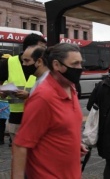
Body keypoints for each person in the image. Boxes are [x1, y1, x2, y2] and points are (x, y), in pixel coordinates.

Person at [12, 43, 88, 179]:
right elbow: (21, 145)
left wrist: (75, 143)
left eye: (80, 63)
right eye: (75, 64)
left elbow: (62, 127)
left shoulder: (71, 89)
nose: (79, 68)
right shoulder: (43, 97)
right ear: (56, 65)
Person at [0, 33, 46, 145]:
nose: (44, 51)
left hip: (38, 116)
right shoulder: (9, 63)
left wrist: (29, 95)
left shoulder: (44, 64)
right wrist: (2, 92)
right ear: (29, 48)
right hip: (16, 117)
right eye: (41, 48)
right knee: (19, 150)